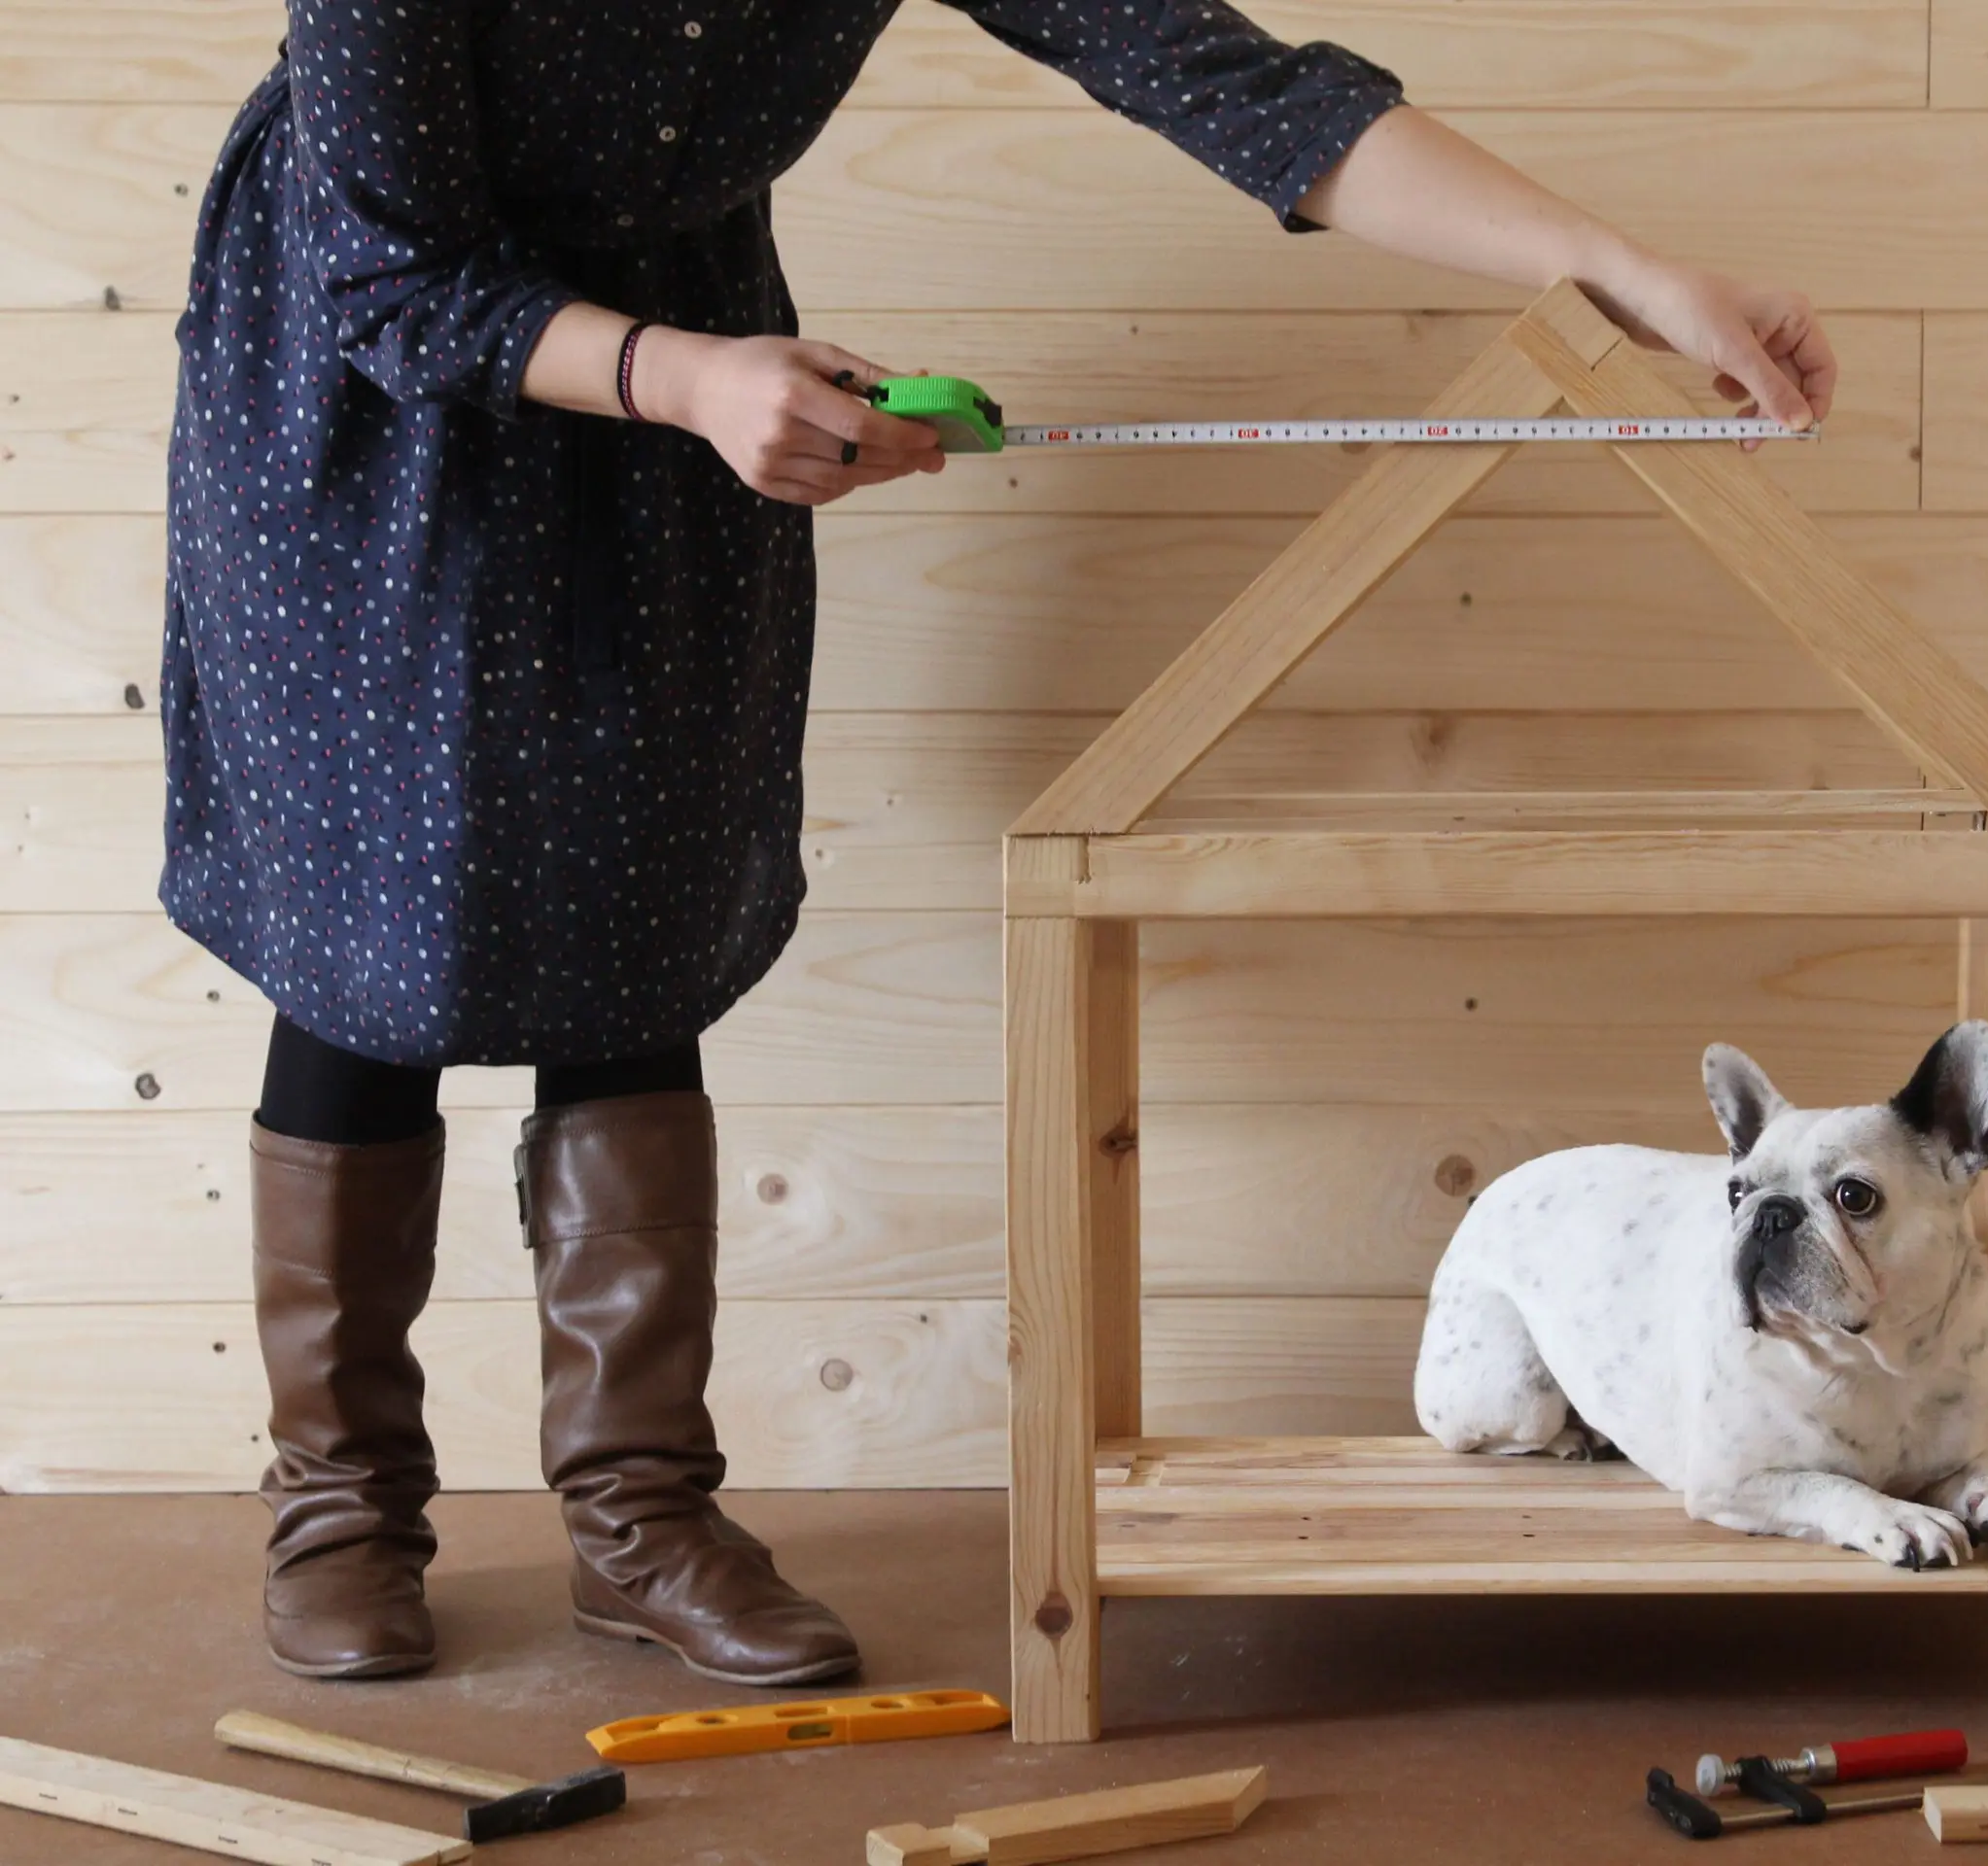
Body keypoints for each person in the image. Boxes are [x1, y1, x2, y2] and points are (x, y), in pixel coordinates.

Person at [166, 0, 1838, 1688]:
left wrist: (1620, 269)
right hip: (374, 372)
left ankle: (640, 1519)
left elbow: (1239, 90)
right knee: (366, 930)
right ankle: (343, 1509)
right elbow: (390, 275)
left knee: (634, 902)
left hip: (685, 353)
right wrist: (686, 378)